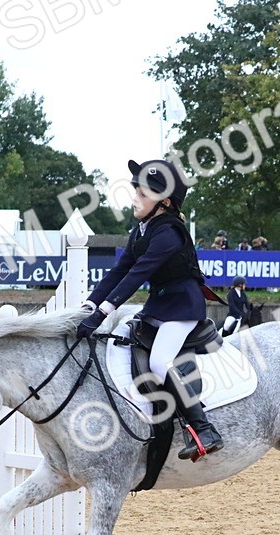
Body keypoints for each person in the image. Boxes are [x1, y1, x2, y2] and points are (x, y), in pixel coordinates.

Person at [74, 157, 224, 459]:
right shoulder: (143, 229)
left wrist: (102, 313)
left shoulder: (169, 234)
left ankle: (203, 428)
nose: (135, 199)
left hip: (183, 307)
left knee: (159, 362)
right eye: (136, 191)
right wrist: (88, 305)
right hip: (159, 305)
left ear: (164, 203)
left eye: (143, 194)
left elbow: (137, 275)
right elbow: (119, 271)